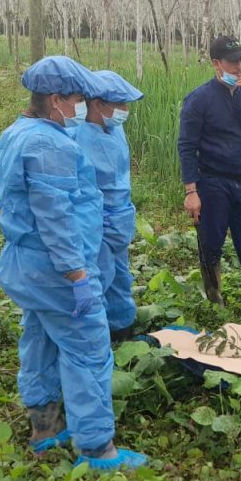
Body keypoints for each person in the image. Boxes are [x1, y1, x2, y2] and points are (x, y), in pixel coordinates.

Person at [0, 55, 146, 472]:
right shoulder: (51, 144)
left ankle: (45, 427)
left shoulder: (17, 132)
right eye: (78, 98)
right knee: (89, 350)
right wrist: (77, 275)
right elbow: (55, 215)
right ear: (56, 99)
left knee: (39, 337)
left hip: (25, 264)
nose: (83, 106)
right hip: (56, 270)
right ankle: (97, 449)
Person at [178, 35, 241, 323]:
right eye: (232, 61)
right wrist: (191, 190)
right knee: (210, 244)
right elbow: (186, 146)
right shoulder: (199, 99)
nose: (239, 66)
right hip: (212, 183)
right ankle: (215, 302)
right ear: (216, 63)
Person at [73, 69, 144, 343]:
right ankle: (96, 339)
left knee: (120, 280)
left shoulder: (115, 129)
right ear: (98, 103)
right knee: (97, 280)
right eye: (120, 104)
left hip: (120, 216)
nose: (125, 111)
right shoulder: (76, 136)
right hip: (95, 221)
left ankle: (122, 330)